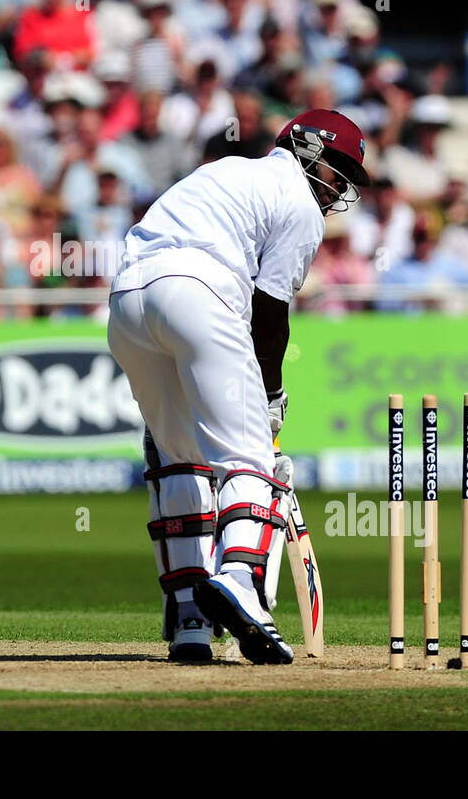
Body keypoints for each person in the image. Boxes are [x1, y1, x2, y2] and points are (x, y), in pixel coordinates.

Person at [107, 109, 370, 664]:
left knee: (179, 460)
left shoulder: (223, 171)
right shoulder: (299, 203)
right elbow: (270, 311)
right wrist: (270, 397)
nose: (341, 187)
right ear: (304, 149)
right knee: (246, 456)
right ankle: (240, 580)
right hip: (197, 292)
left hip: (126, 303)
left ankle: (190, 622)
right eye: (338, 169)